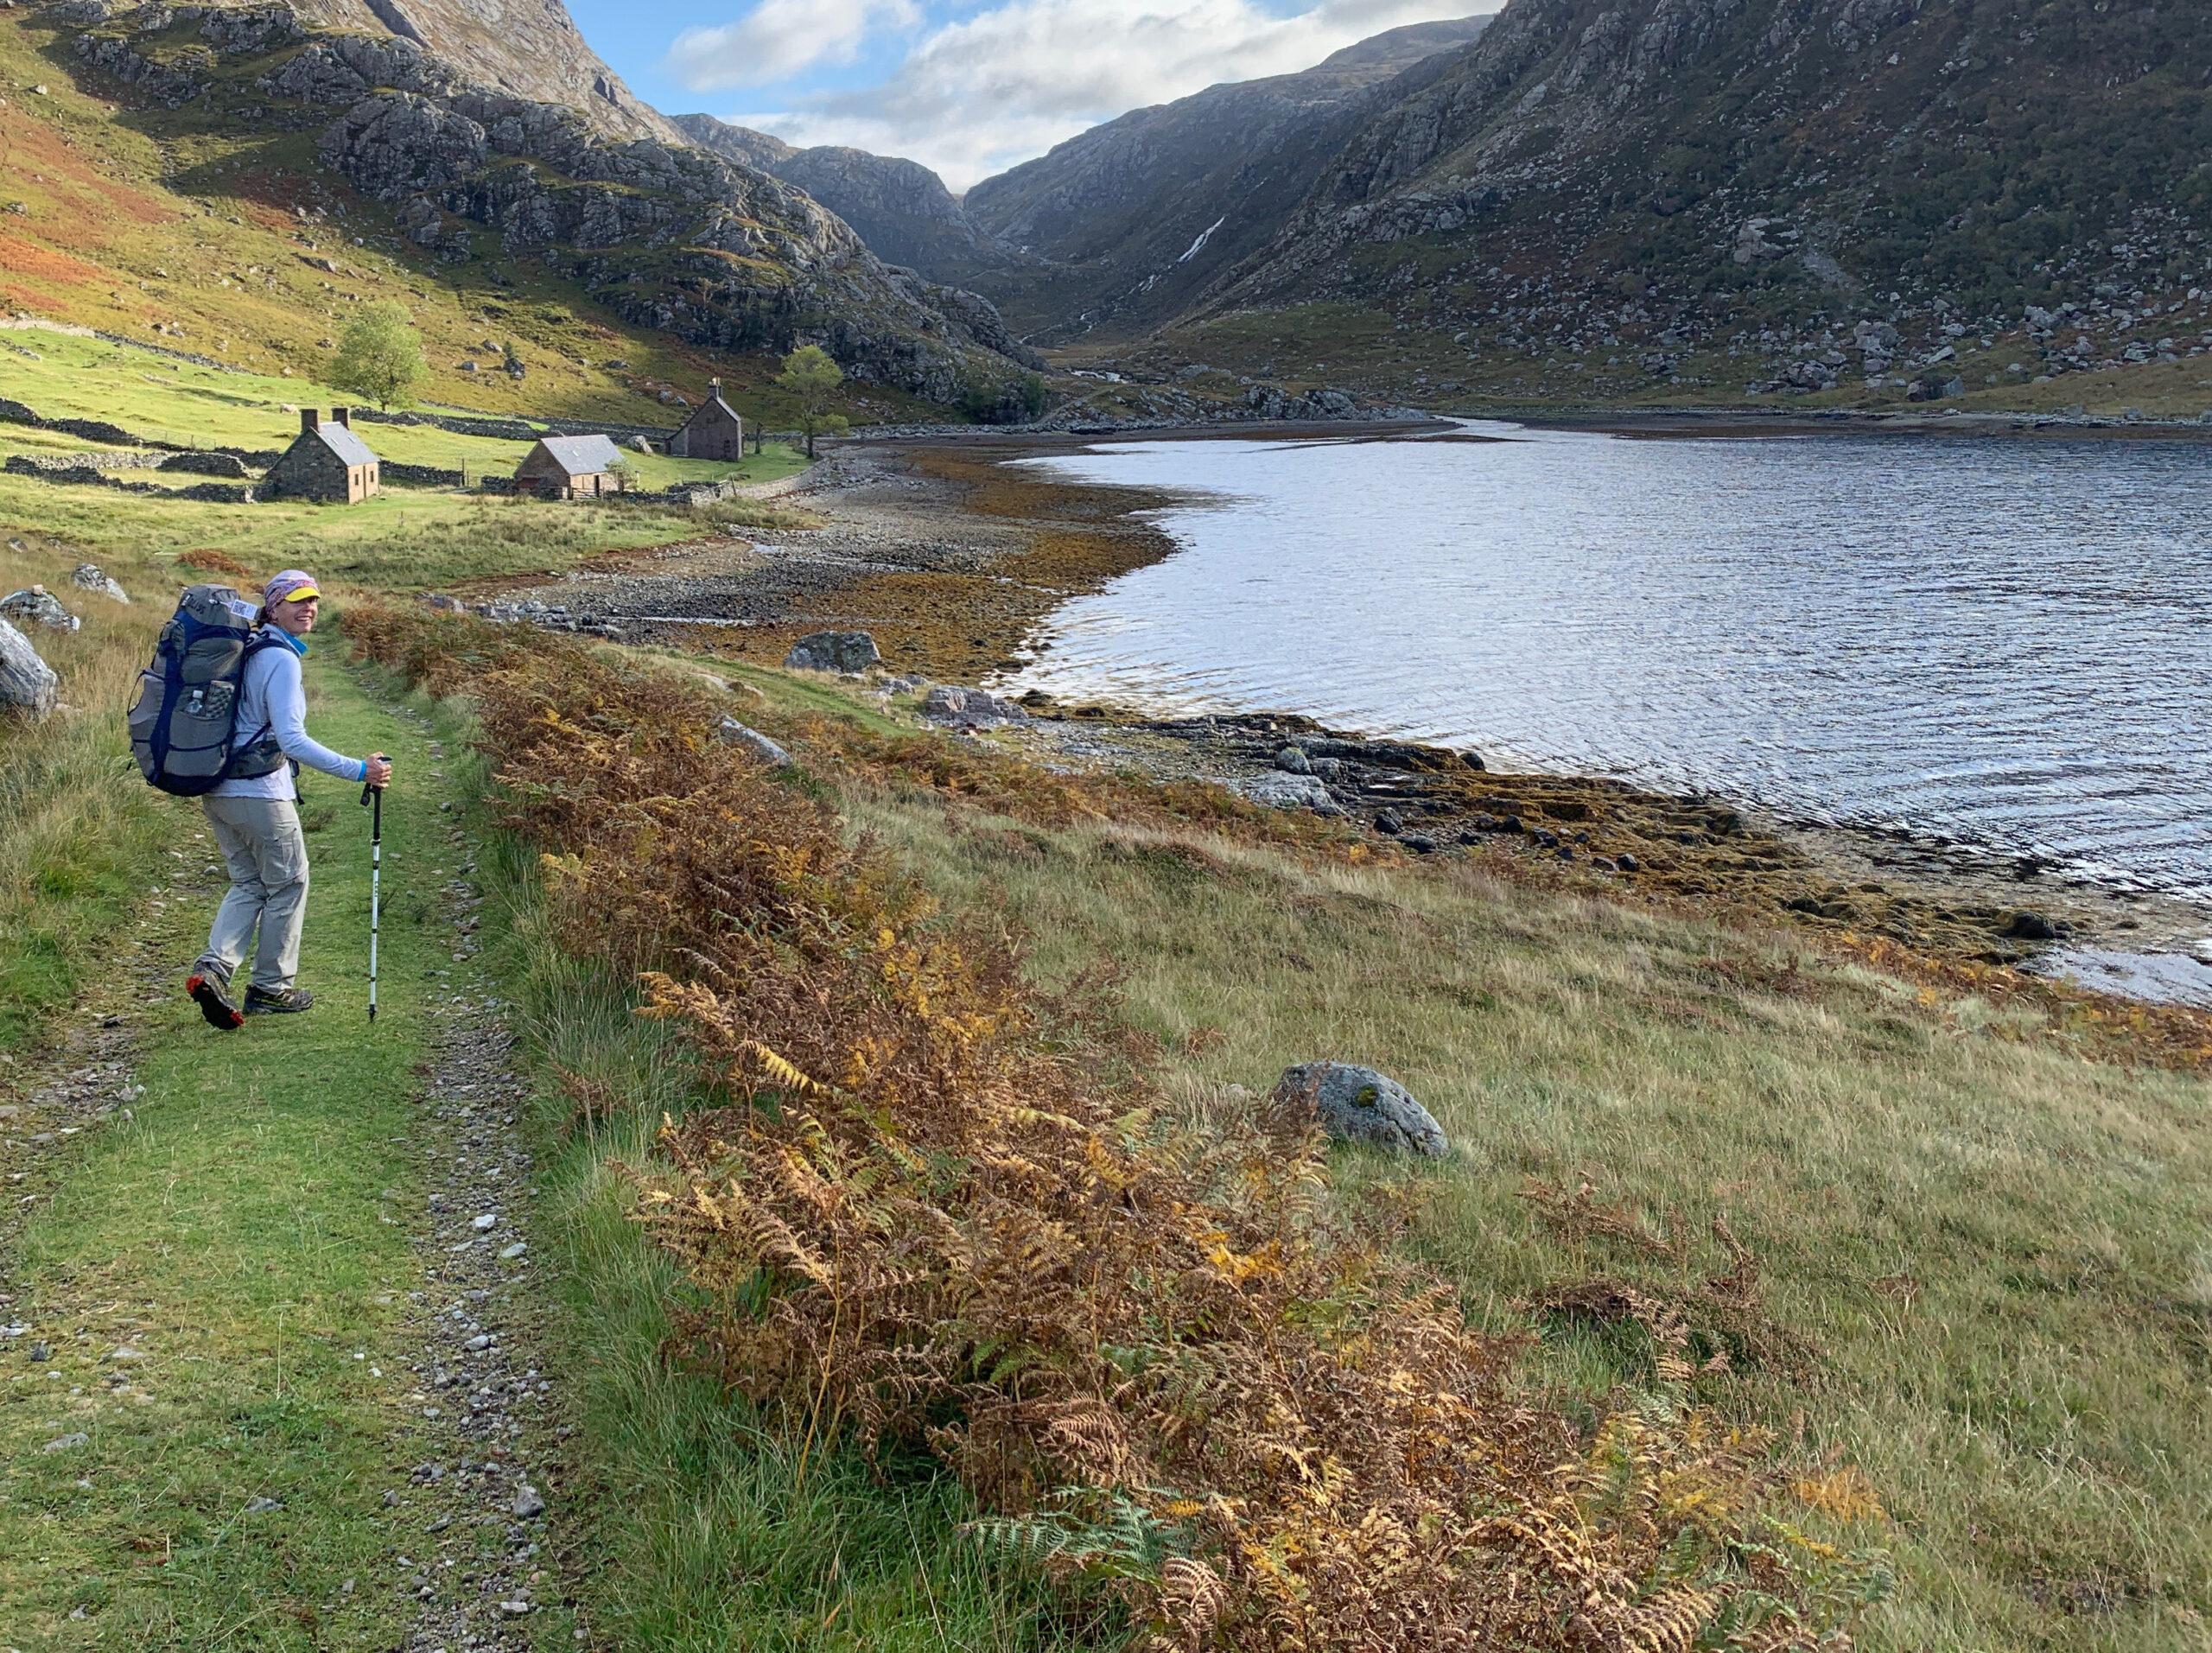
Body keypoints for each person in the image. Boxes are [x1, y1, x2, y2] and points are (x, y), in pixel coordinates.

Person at [184, 570, 392, 1029]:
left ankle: (213, 969)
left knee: (248, 884)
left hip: (217, 788)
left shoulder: (250, 648)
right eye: (296, 601)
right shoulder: (280, 659)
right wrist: (360, 769)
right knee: (288, 884)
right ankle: (270, 988)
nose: (308, 608)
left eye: (313, 600)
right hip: (260, 792)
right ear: (273, 606)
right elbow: (292, 740)